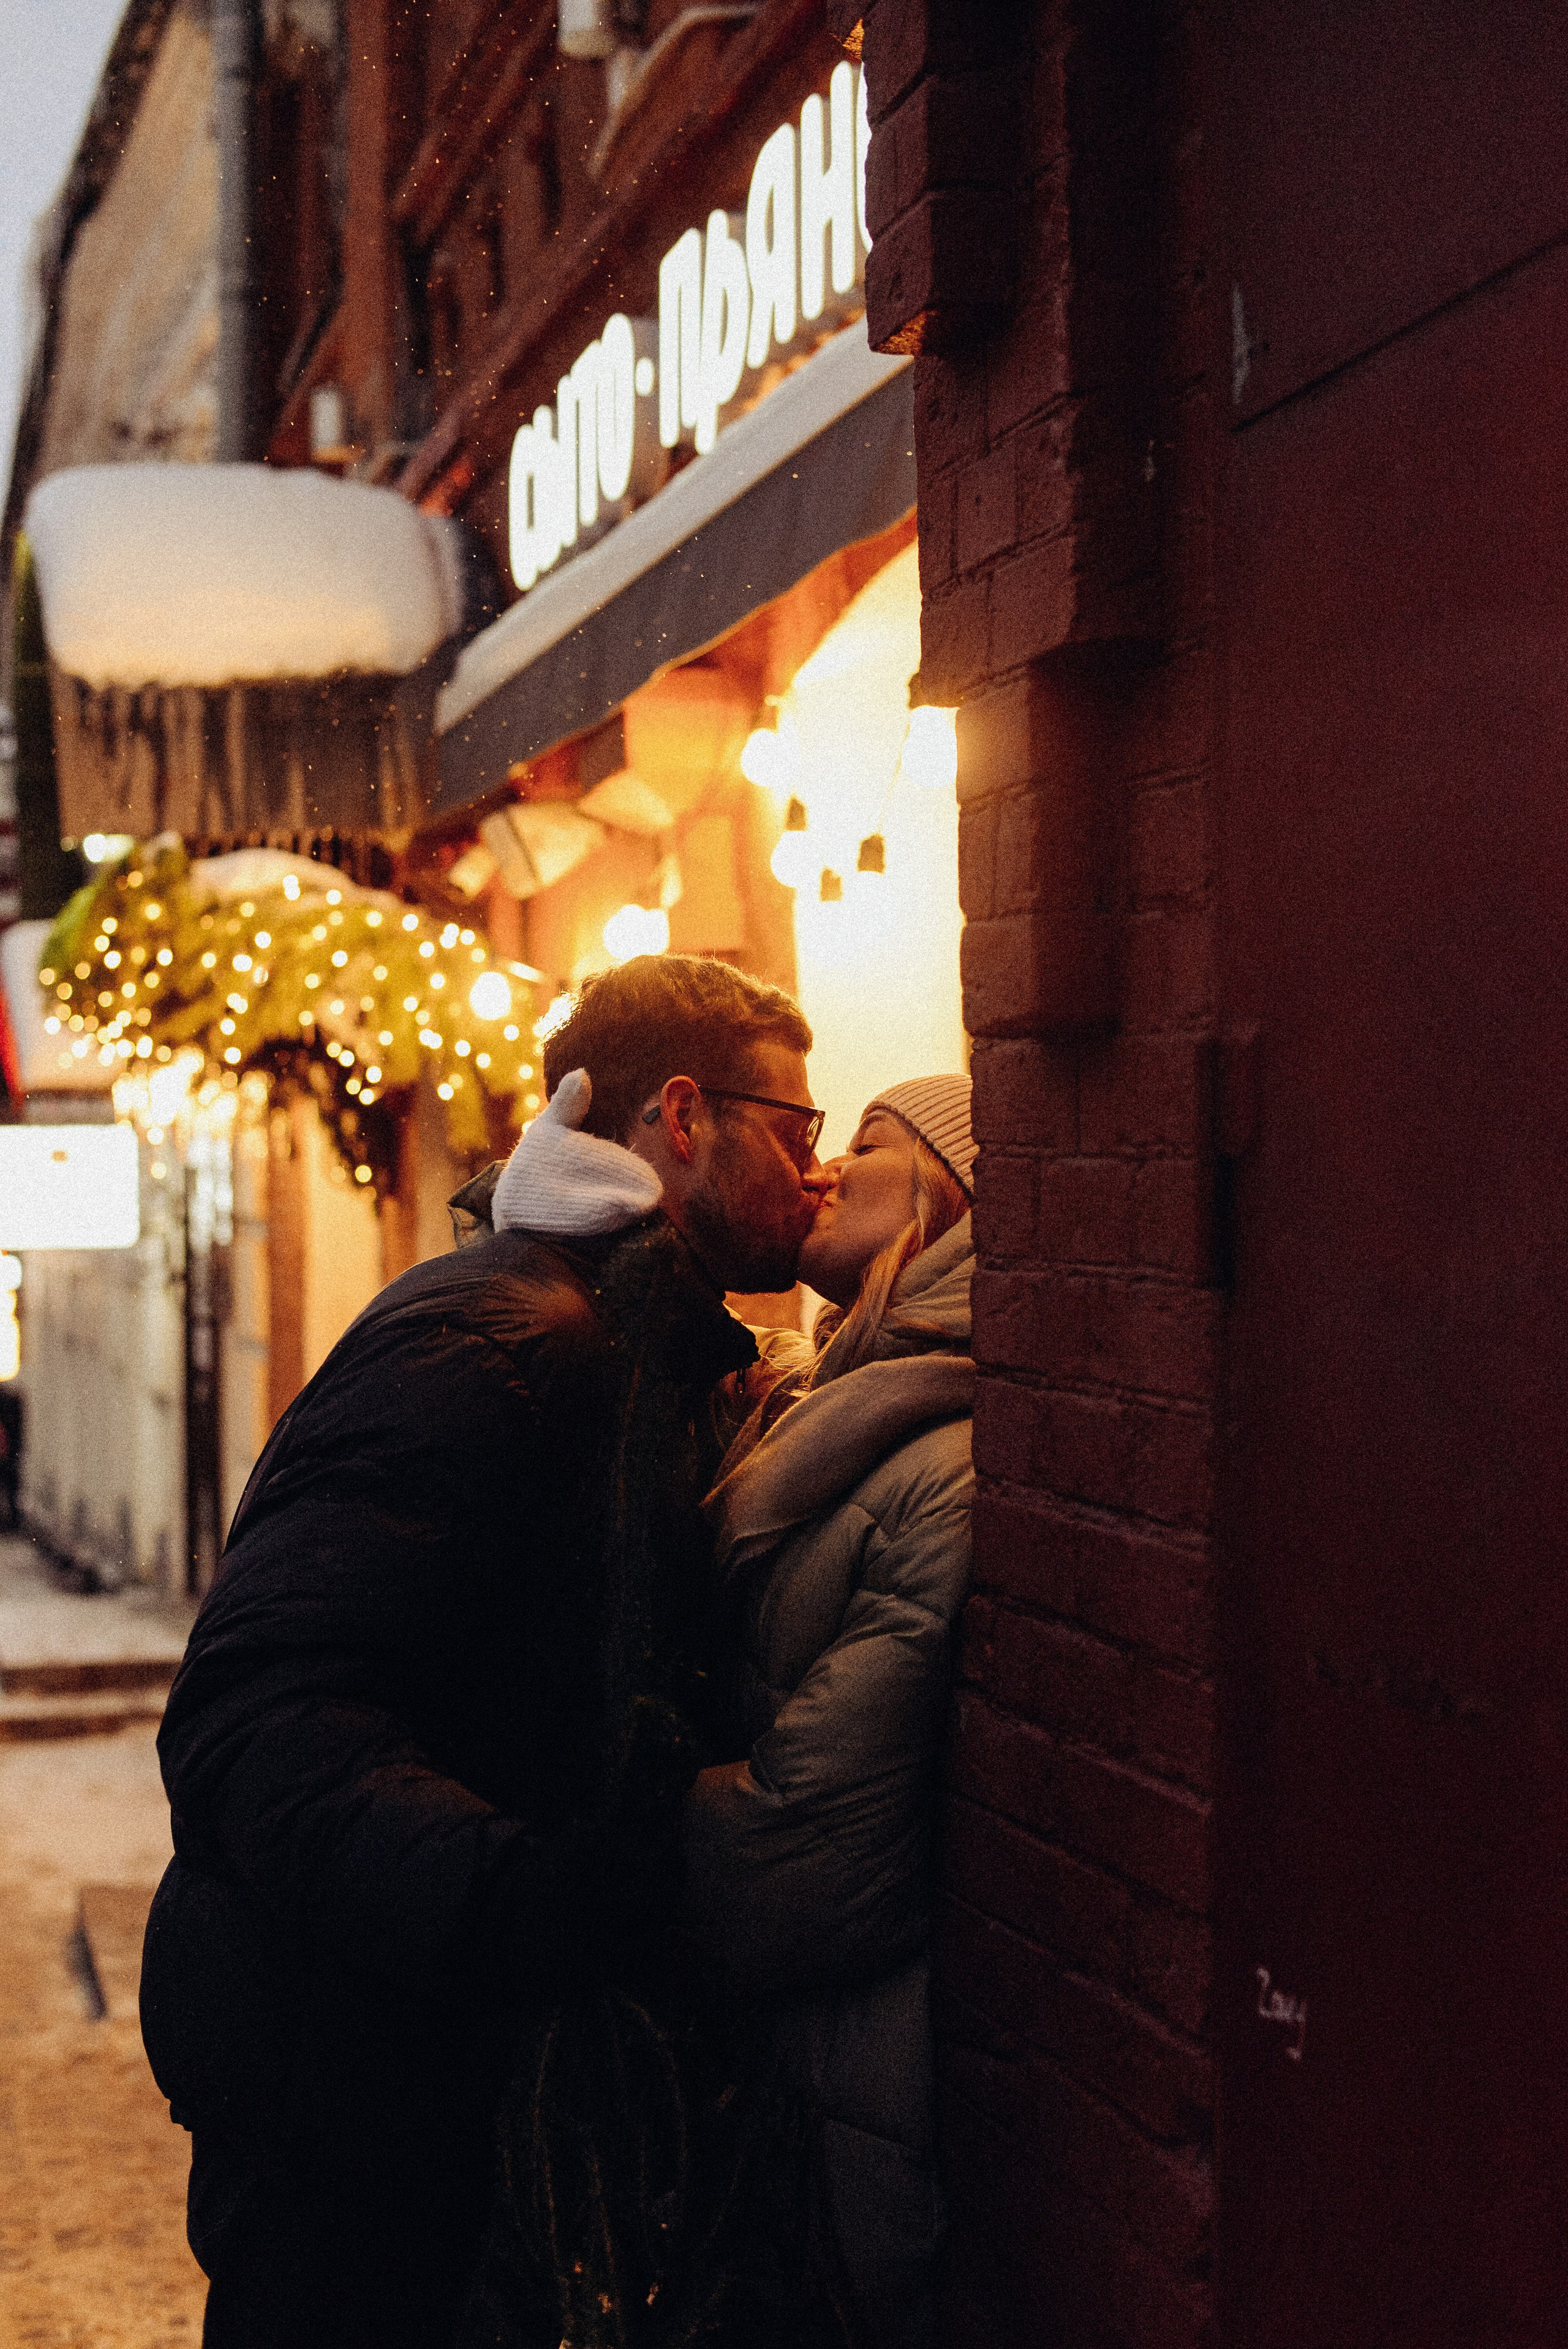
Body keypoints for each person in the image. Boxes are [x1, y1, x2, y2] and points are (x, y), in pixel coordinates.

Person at [140, 953, 826, 2349]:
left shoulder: (625, 1345)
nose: (816, 1172)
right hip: (349, 2069)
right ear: (680, 1117)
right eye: (798, 1129)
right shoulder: (505, 1333)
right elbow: (256, 1715)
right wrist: (540, 1900)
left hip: (413, 2054)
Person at [683, 1076, 978, 2349]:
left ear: (943, 1191)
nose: (822, 1171)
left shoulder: (943, 1462)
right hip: (785, 2038)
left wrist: (599, 1844)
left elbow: (816, 1831)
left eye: (863, 1145)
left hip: (862, 2043)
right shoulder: (819, 1402)